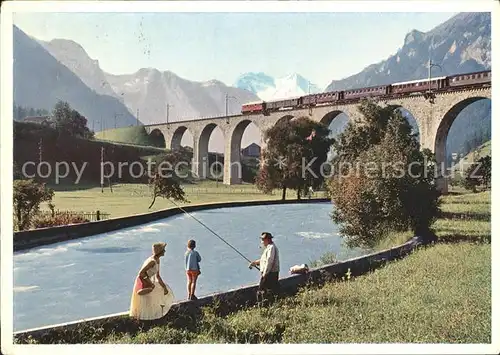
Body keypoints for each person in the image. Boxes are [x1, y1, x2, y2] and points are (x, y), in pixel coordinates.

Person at [129, 242, 174, 320]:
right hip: (143, 281)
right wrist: (150, 283)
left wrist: (164, 287)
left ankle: (152, 317)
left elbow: (158, 276)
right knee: (145, 302)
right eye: (163, 250)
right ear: (160, 252)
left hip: (148, 281)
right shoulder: (152, 261)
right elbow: (141, 273)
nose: (165, 251)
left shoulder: (157, 260)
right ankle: (142, 320)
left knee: (162, 291)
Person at [249, 232, 280, 305]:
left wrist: (265, 273)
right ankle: (271, 304)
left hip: (270, 274)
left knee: (261, 291)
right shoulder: (269, 248)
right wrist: (255, 263)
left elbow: (269, 261)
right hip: (271, 273)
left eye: (263, 239)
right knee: (271, 290)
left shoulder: (271, 248)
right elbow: (264, 260)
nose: (262, 241)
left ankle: (263, 306)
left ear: (267, 240)